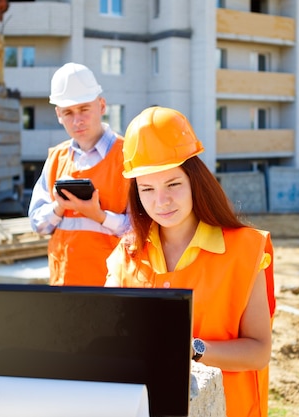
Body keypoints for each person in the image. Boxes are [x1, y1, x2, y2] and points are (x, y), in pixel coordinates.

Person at [105, 106, 276, 417]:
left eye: (173, 184)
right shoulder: (125, 256)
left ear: (194, 181)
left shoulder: (245, 250)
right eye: (147, 189)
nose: (161, 201)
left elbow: (258, 351)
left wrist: (194, 350)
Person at [28, 62, 130, 286]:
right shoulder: (56, 158)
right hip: (64, 287)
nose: (77, 120)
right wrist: (59, 207)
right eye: (68, 112)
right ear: (58, 114)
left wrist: (99, 216)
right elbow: (37, 225)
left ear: (101, 106)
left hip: (112, 288)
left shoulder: (128, 156)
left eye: (84, 109)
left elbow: (144, 231)